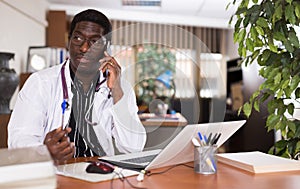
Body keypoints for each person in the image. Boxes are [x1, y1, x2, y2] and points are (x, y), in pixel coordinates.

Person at [8, 9, 146, 163]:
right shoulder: (40, 83)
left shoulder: (119, 88)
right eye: (78, 38)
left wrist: (117, 92)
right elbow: (18, 140)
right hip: (56, 172)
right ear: (69, 40)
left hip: (99, 173)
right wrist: (44, 152)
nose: (84, 48)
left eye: (94, 41)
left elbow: (134, 147)